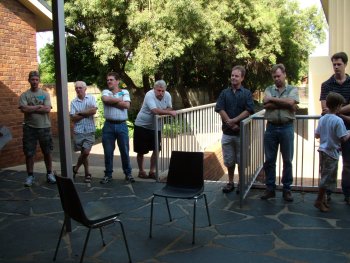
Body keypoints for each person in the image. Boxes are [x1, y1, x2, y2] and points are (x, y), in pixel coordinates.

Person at [260, 64, 299, 202]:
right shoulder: (269, 89)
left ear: (284, 74)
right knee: (269, 160)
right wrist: (287, 103)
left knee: (287, 160)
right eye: (274, 76)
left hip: (286, 127)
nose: (276, 78)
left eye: (278, 75)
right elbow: (266, 103)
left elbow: (290, 102)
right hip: (271, 128)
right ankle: (270, 188)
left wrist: (274, 100)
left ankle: (286, 189)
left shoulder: (293, 89)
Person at [215, 66, 255, 193]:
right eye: (232, 75)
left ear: (242, 78)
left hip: (241, 133)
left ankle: (240, 183)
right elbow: (220, 108)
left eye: (236, 76)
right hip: (227, 133)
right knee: (229, 159)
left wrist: (235, 120)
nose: (233, 77)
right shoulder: (224, 93)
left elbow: (249, 110)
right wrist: (230, 123)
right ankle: (230, 182)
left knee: (241, 160)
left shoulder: (247, 93)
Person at [320, 52, 350, 205]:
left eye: (339, 64)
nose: (336, 67)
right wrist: (342, 110)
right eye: (334, 64)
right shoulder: (326, 85)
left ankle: (348, 193)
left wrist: (335, 111)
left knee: (348, 163)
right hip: (330, 133)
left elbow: (330, 110)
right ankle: (327, 194)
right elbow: (325, 108)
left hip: (347, 128)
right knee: (329, 166)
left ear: (345, 64)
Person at [19, 71, 56, 187]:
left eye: (36, 79)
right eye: (32, 79)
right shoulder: (24, 95)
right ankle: (30, 176)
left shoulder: (44, 94)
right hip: (29, 128)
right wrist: (39, 106)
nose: (34, 82)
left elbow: (47, 109)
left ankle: (49, 174)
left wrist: (31, 108)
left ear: (39, 80)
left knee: (47, 152)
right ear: (29, 80)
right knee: (29, 153)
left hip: (44, 128)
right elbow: (24, 109)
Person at [134, 80, 177, 180]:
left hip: (157, 127)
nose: (161, 93)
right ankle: (141, 171)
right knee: (141, 151)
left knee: (156, 149)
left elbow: (170, 107)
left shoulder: (168, 95)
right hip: (142, 125)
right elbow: (154, 111)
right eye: (158, 90)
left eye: (162, 91)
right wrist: (168, 112)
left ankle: (152, 171)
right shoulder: (149, 95)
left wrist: (164, 111)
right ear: (154, 89)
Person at [315, 92, 350, 212]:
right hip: (331, 153)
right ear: (338, 106)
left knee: (324, 175)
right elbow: (343, 138)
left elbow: (316, 134)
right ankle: (319, 201)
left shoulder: (323, 118)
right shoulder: (338, 120)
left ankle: (323, 200)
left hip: (322, 151)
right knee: (326, 178)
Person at [100, 72, 134, 184]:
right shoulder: (105, 91)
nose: (109, 81)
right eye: (108, 80)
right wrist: (120, 100)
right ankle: (108, 174)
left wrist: (112, 101)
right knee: (108, 151)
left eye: (111, 79)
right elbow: (105, 100)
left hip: (122, 125)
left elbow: (127, 106)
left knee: (124, 151)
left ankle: (128, 174)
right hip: (108, 125)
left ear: (117, 81)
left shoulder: (125, 91)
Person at [70, 81, 97, 183]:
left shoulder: (91, 98)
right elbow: (74, 118)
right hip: (79, 131)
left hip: (89, 130)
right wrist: (87, 112)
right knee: (83, 153)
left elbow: (93, 111)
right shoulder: (73, 102)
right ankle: (87, 174)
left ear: (85, 89)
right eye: (76, 88)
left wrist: (80, 112)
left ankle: (76, 168)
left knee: (86, 152)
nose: (78, 89)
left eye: (80, 88)